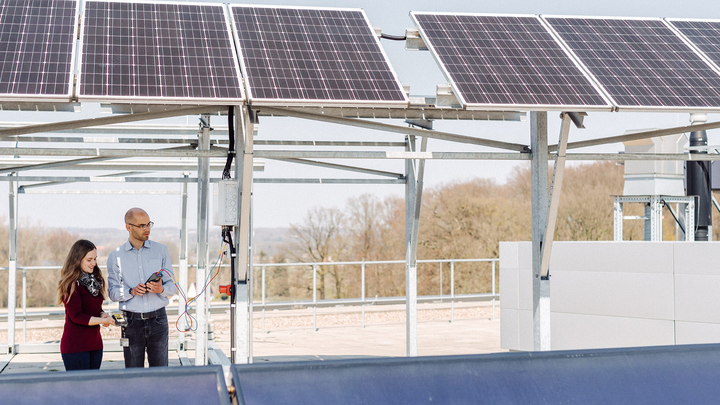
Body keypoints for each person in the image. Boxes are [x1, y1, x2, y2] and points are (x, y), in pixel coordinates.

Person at [107, 207, 177, 368]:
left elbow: (172, 286)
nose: (147, 229)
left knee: (160, 372)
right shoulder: (115, 256)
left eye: (149, 224)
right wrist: (131, 292)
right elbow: (112, 292)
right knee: (133, 374)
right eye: (142, 226)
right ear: (128, 227)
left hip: (158, 320)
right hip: (131, 322)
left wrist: (161, 289)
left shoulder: (161, 250)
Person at [57, 239, 115, 371]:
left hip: (95, 345)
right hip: (75, 347)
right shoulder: (71, 284)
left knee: (93, 388)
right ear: (78, 259)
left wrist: (103, 314)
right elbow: (76, 316)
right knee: (79, 390)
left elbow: (95, 308)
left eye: (95, 259)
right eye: (89, 260)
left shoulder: (95, 281)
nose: (93, 263)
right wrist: (102, 320)